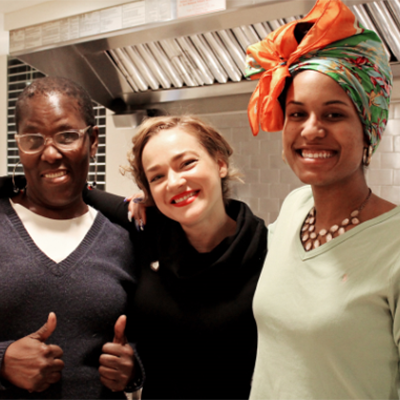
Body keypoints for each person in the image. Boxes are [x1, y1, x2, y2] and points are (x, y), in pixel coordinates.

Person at [245, 0, 399, 398]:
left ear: (368, 129)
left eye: (333, 115)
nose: (311, 131)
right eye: (297, 114)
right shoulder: (294, 208)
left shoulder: (394, 246)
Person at [81, 115, 267, 400]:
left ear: (220, 163)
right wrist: (17, 183)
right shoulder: (149, 229)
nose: (174, 182)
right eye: (157, 177)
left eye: (187, 163)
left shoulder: (268, 250)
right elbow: (83, 192)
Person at [0, 76, 142, 399]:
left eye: (66, 136)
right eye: (33, 139)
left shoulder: (124, 238)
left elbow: (150, 335)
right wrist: (2, 361)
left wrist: (133, 369)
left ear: (93, 141)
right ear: (19, 145)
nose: (50, 154)